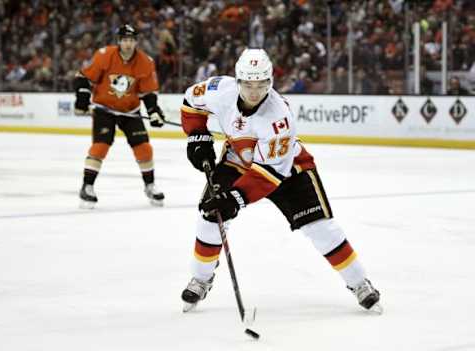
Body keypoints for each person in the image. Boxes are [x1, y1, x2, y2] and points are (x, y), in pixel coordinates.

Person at [179, 48, 382, 313]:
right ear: (238, 80)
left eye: (261, 84)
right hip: (237, 161)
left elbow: (269, 174)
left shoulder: (279, 118)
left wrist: (236, 198)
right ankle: (201, 278)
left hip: (287, 169)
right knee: (210, 215)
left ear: (270, 82)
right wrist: (197, 136)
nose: (254, 91)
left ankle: (359, 283)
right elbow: (190, 103)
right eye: (248, 84)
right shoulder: (219, 90)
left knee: (321, 228)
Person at [74, 24, 165, 209]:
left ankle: (150, 185)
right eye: (124, 40)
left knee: (144, 148)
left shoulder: (145, 62)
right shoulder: (105, 55)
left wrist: (154, 112)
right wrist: (82, 98)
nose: (128, 44)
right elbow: (83, 77)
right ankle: (87, 186)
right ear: (119, 41)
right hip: (104, 109)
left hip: (130, 111)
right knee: (100, 146)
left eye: (131, 40)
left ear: (136, 42)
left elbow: (148, 93)